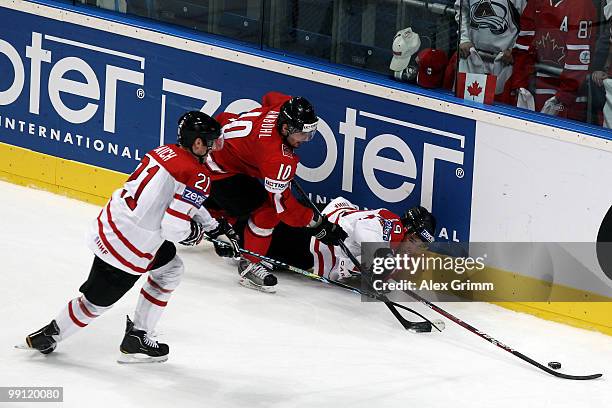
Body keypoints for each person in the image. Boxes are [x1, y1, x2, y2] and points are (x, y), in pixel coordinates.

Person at [23, 111, 241, 363]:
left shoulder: (165, 152)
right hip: (131, 247)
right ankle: (50, 334)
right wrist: (197, 234)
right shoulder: (198, 175)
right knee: (96, 303)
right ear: (198, 143)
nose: (214, 147)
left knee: (171, 269)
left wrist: (211, 225)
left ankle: (138, 335)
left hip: (112, 225)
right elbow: (173, 229)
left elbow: (181, 195)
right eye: (211, 141)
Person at [203, 91, 347, 293]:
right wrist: (317, 225)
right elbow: (283, 208)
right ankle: (250, 265)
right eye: (301, 134)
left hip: (222, 142)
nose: (305, 139)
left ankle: (217, 215)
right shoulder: (276, 158)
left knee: (250, 196)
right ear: (286, 127)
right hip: (216, 170)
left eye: (310, 133)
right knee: (267, 212)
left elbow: (271, 96)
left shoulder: (282, 108)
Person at [230, 197, 436, 282]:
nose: (415, 248)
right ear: (407, 228)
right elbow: (363, 230)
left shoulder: (399, 261)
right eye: (415, 239)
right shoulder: (393, 227)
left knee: (261, 240)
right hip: (316, 230)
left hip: (313, 253)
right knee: (248, 223)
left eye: (422, 245)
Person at [510, 0, 597, 119]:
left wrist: (563, 96)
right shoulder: (536, 3)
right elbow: (523, 45)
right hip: (535, 87)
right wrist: (519, 83)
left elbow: (579, 59)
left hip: (570, 96)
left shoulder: (581, 5)